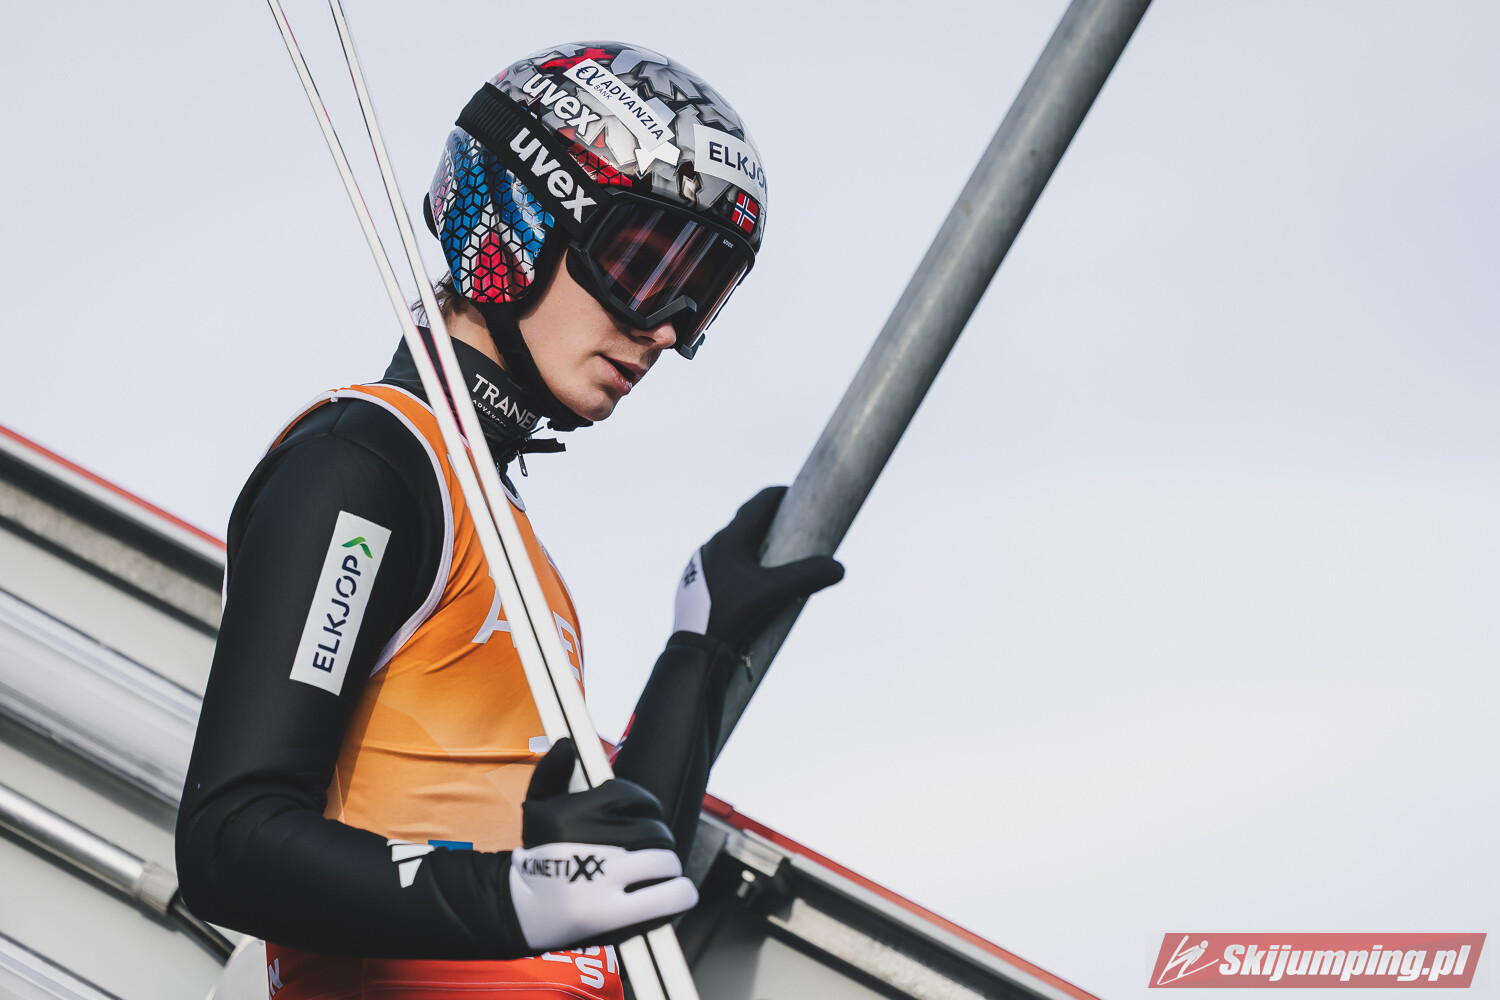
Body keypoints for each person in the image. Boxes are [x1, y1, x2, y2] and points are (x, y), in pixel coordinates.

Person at [175, 41, 843, 1000]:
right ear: (523, 219)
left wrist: (699, 649)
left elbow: (607, 883)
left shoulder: (503, 529)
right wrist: (512, 895)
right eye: (643, 264)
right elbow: (228, 842)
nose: (665, 328)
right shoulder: (367, 464)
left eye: (699, 291)